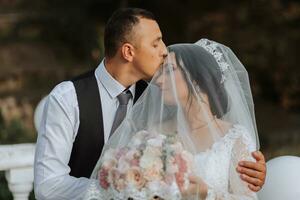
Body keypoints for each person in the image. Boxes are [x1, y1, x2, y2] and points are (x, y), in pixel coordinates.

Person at [34, 7, 265, 199]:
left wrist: (250, 171)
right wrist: (120, 187)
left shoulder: (159, 97)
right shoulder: (68, 98)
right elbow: (48, 185)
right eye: (156, 44)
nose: (165, 51)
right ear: (128, 52)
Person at [83, 39, 263, 199]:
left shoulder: (235, 138)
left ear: (197, 78)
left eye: (168, 71)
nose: (158, 80)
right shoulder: (152, 135)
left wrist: (208, 194)